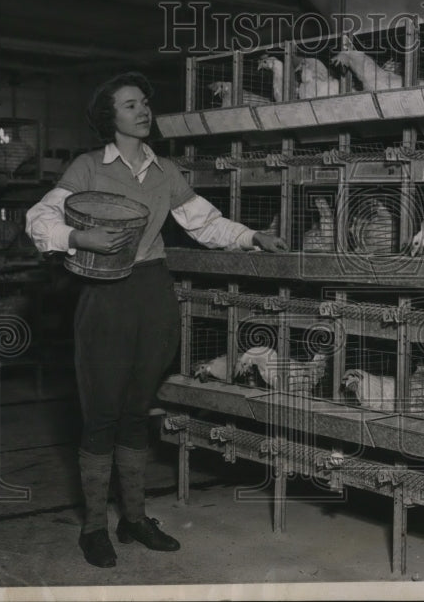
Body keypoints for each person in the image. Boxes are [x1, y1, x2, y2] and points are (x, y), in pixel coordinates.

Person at [25, 71, 288, 568]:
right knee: (101, 412)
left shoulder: (164, 169)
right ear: (110, 117)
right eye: (130, 105)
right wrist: (78, 240)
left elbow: (204, 222)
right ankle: (93, 527)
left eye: (145, 102)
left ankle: (135, 517)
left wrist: (252, 236)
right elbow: (39, 220)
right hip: (105, 298)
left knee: (136, 409)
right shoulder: (87, 167)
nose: (142, 110)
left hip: (153, 293)